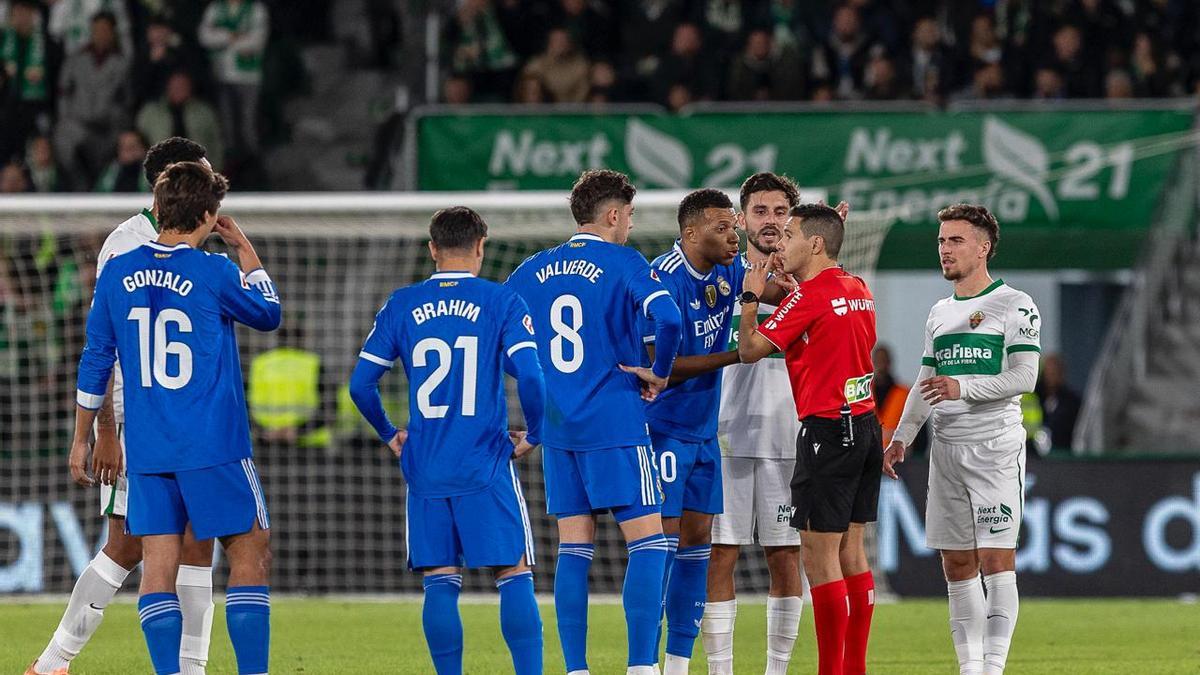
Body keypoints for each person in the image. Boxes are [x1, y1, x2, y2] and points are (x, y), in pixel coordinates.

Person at [72, 160, 280, 675]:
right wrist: (245, 250)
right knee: (250, 551)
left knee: (157, 567)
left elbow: (96, 358)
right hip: (213, 445)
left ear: (158, 209)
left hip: (148, 448)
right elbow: (269, 313)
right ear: (209, 215)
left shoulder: (118, 272)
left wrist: (83, 437)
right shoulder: (214, 271)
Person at [28, 137, 217, 675]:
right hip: (137, 421)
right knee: (128, 545)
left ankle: (191, 668)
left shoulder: (197, 242)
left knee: (198, 544)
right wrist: (104, 429)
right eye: (198, 177)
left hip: (188, 422)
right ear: (166, 185)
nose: (210, 188)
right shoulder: (125, 244)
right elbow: (103, 343)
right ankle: (52, 662)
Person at [349, 206, 547, 674]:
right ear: (481, 246)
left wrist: (388, 433)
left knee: (440, 581)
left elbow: (360, 385)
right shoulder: (501, 301)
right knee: (513, 574)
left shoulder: (401, 304)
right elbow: (533, 378)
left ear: (432, 249)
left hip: (426, 465)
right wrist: (533, 434)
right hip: (485, 462)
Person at [505, 169, 682, 675]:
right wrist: (661, 373)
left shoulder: (531, 269)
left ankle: (577, 669)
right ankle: (642, 667)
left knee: (574, 549)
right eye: (628, 215)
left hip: (559, 431)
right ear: (611, 215)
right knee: (649, 543)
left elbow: (504, 344)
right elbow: (668, 320)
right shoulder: (624, 261)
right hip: (616, 422)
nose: (629, 225)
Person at [883, 203, 1041, 675]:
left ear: (983, 247)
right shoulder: (938, 312)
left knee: (996, 558)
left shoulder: (1015, 303)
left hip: (995, 447)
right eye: (941, 241)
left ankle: (993, 667)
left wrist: (964, 387)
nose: (944, 249)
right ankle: (970, 667)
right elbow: (925, 380)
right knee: (956, 564)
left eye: (955, 240)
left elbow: (1026, 376)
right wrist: (901, 436)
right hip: (946, 449)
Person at [738, 203, 881, 675]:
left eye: (791, 234)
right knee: (852, 551)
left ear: (815, 244)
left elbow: (750, 350)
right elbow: (822, 332)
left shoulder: (811, 297)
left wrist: (751, 297)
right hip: (864, 427)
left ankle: (830, 671)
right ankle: (853, 668)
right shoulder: (857, 288)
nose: (781, 243)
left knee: (819, 560)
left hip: (827, 430)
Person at [644, 188, 756, 675]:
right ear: (690, 233)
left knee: (698, 544)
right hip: (662, 428)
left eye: (734, 226)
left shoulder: (730, 267)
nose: (733, 236)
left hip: (703, 431)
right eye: (722, 228)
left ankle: (677, 664)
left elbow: (774, 288)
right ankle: (642, 661)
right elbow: (662, 368)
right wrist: (739, 352)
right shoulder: (661, 278)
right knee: (660, 546)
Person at [703, 173, 804, 675]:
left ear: (793, 218)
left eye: (780, 211)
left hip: (789, 437)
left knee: (785, 557)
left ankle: (776, 671)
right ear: (742, 220)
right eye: (760, 211)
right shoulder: (720, 279)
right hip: (727, 435)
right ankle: (721, 671)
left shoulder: (810, 282)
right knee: (719, 554)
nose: (771, 220)